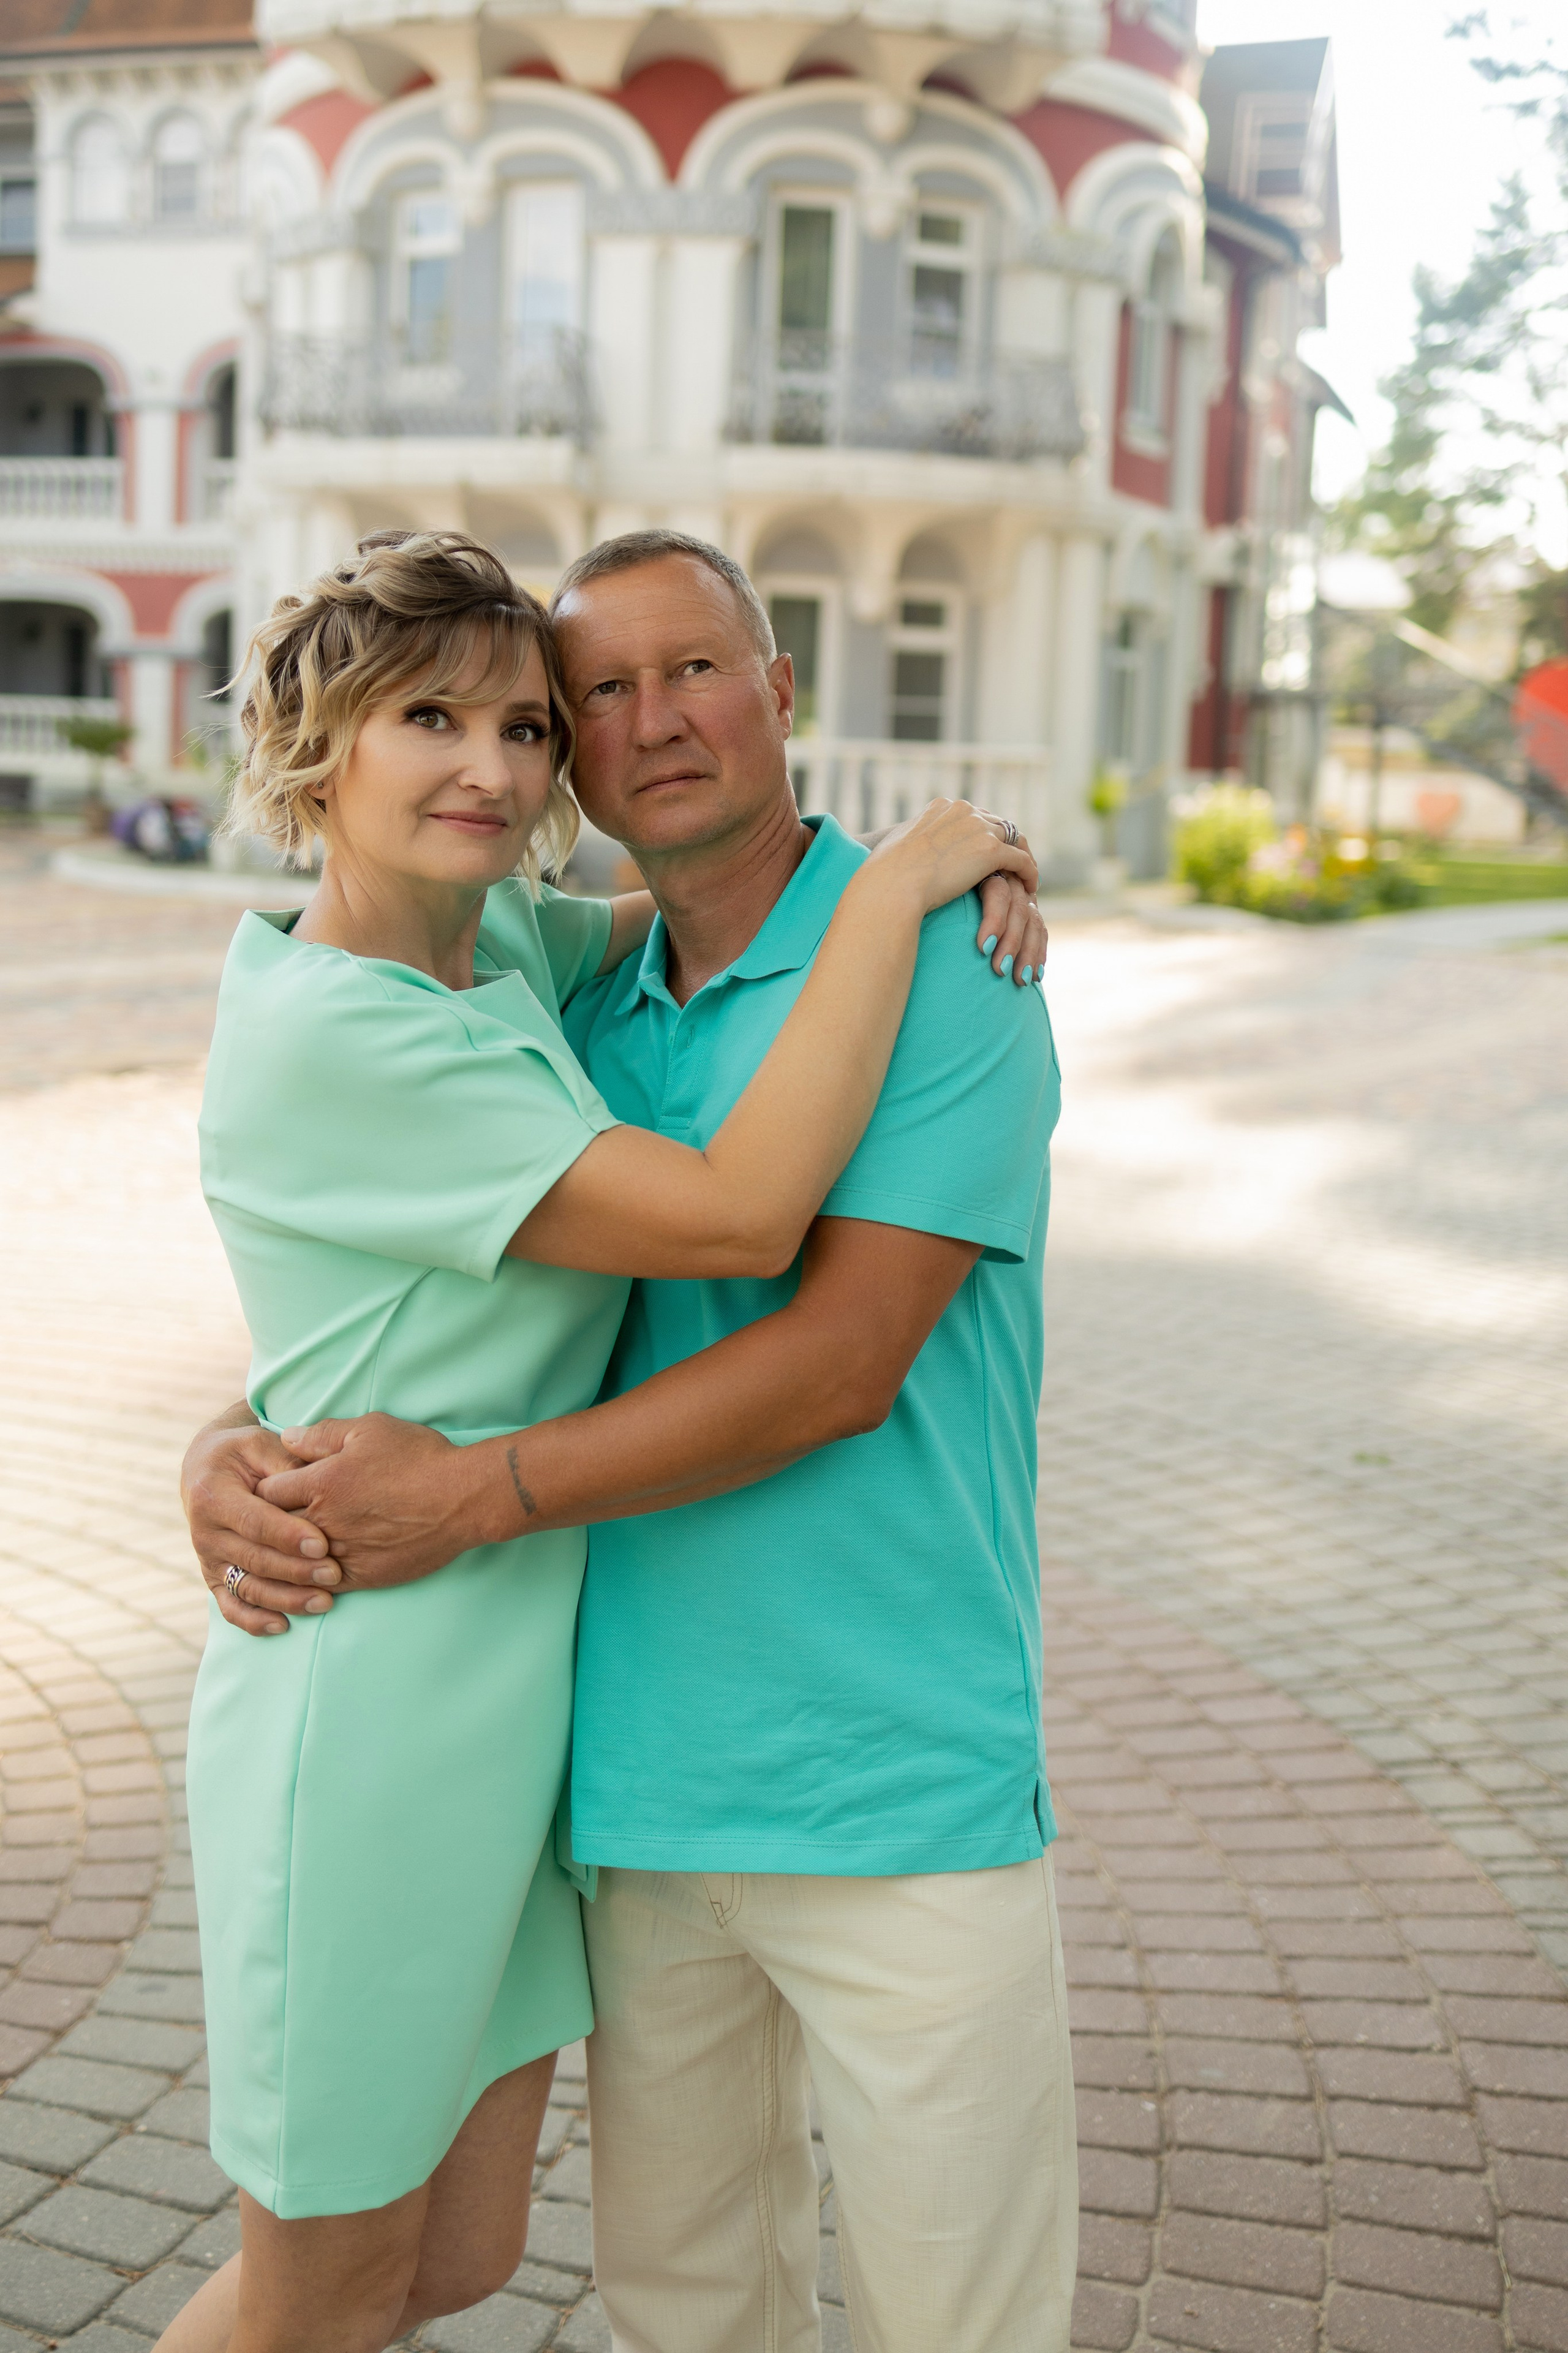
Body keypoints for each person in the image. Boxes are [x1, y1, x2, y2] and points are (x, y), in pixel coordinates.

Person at [163, 529, 1039, 2353]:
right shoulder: (376, 1023)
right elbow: (729, 1213)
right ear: (321, 750)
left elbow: (713, 925)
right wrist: (896, 902)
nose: (499, 765)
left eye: (518, 726)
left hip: (593, 1743)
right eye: (433, 719)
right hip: (397, 1713)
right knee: (324, 2300)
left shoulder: (525, 965)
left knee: (459, 2256)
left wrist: (903, 885)